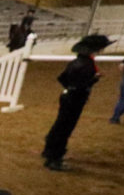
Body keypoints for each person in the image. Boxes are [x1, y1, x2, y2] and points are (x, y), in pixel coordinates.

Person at [42, 34, 111, 171]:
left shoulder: (75, 62)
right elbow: (82, 85)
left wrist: (69, 87)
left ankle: (49, 151)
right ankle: (54, 159)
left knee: (60, 125)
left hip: (68, 96)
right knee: (65, 128)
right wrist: (94, 79)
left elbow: (61, 78)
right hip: (75, 98)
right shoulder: (87, 65)